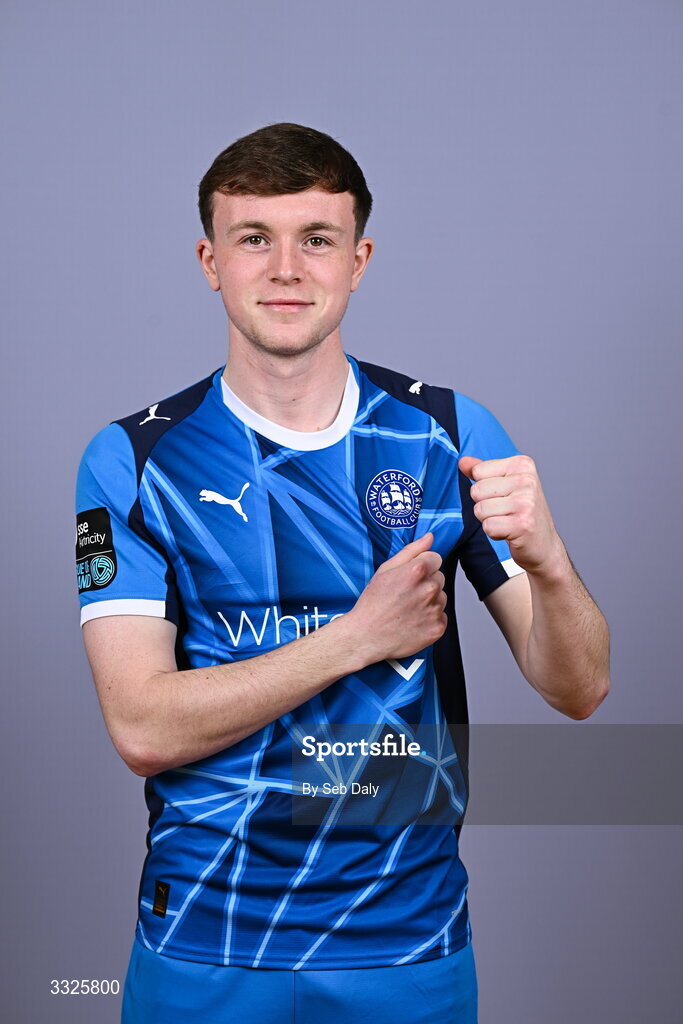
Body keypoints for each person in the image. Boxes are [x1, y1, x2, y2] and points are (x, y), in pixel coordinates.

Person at [74, 122, 610, 1024]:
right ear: (211, 260)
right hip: (205, 941)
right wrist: (355, 639)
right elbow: (142, 728)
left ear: (358, 259)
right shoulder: (133, 458)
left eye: (316, 239)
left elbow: (580, 687)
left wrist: (550, 565)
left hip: (404, 943)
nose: (287, 269)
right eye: (255, 239)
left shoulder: (448, 432)